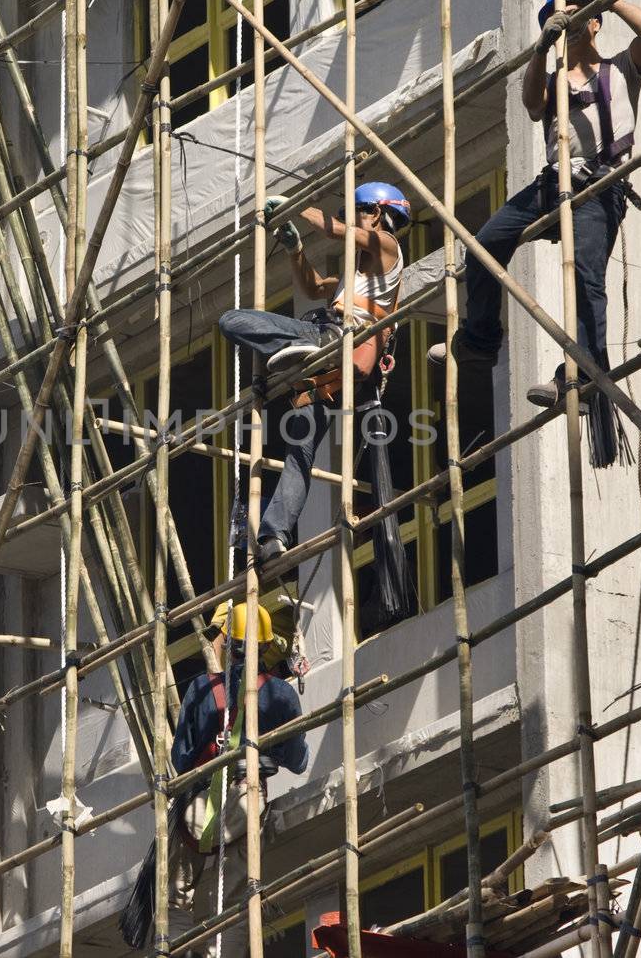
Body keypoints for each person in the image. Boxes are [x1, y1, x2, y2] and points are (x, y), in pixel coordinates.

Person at [429, 0, 641, 420]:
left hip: (600, 188)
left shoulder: (621, 70)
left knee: (585, 278)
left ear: (594, 23)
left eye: (579, 17)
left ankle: (580, 370)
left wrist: (605, 0)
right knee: (482, 247)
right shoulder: (551, 81)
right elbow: (532, 104)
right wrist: (541, 49)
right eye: (561, 21)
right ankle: (478, 341)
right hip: (553, 185)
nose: (571, 24)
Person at [217, 182, 410, 561]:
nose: (348, 219)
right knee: (299, 454)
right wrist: (295, 249)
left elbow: (335, 230)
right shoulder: (354, 278)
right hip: (330, 379)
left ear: (376, 213)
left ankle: (300, 350)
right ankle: (273, 536)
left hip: (336, 341)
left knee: (232, 321)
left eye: (354, 211)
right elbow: (314, 285)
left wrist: (296, 207)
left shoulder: (389, 247)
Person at [166, 601, 309, 955]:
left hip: (199, 807)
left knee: (171, 897)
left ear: (227, 645)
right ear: (264, 645)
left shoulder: (202, 691)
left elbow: (181, 759)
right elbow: (299, 760)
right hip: (248, 801)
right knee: (235, 899)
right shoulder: (281, 695)